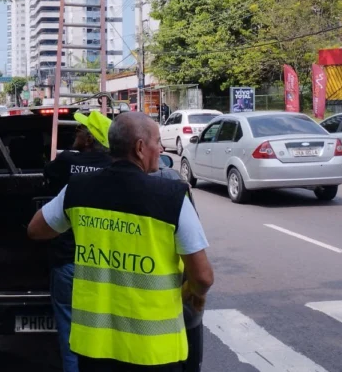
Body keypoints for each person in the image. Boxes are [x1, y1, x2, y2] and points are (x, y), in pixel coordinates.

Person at [28, 112, 214, 371]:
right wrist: (197, 295)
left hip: (95, 350)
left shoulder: (78, 189)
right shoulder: (171, 196)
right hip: (153, 353)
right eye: (157, 142)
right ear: (140, 148)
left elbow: (36, 230)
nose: (160, 148)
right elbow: (203, 276)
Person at [43, 111, 114, 372]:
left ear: (89, 139)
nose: (75, 133)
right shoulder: (114, 167)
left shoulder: (66, 162)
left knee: (71, 333)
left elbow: (47, 174)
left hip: (68, 262)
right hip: (107, 264)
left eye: (80, 130)